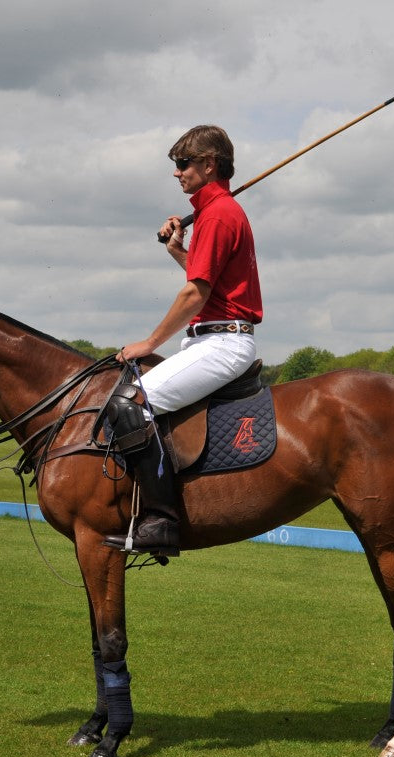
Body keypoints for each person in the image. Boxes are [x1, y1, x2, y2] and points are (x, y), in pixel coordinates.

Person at [103, 125, 263, 556]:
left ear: (209, 164)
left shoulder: (219, 213)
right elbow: (209, 276)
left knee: (131, 404)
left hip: (223, 342)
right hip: (209, 340)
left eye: (183, 164)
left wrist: (149, 341)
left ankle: (162, 521)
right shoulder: (217, 212)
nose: (176, 174)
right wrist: (177, 249)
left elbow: (197, 293)